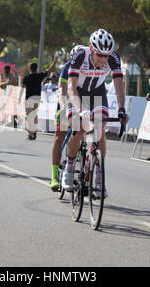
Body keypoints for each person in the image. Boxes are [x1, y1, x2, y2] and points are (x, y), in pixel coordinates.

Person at [61, 29, 127, 198]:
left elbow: (119, 84)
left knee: (100, 131)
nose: (103, 59)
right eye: (99, 55)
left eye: (107, 55)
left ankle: (98, 173)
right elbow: (71, 87)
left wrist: (121, 109)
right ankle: (69, 166)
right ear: (91, 49)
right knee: (80, 128)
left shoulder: (113, 58)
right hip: (77, 94)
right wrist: (81, 110)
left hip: (98, 93)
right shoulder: (80, 56)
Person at [49, 45, 84, 191]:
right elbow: (62, 91)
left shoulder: (89, 68)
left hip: (82, 103)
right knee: (60, 135)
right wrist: (63, 109)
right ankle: (54, 177)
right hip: (65, 103)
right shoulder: (66, 67)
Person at [19, 56, 58, 140]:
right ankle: (34, 131)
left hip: (29, 99)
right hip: (37, 98)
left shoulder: (26, 78)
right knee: (34, 115)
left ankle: (30, 133)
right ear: (36, 68)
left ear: (30, 68)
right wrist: (54, 61)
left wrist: (19, 98)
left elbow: (22, 88)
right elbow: (49, 70)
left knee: (29, 116)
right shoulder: (40, 76)